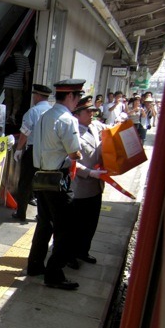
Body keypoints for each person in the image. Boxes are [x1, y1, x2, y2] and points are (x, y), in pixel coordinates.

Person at [26, 78, 84, 290]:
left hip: (40, 176)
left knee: (45, 223)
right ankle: (54, 273)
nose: (77, 102)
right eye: (77, 97)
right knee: (66, 227)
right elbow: (74, 152)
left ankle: (34, 265)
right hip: (58, 179)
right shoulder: (67, 120)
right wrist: (78, 153)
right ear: (70, 96)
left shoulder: (44, 115)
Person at [70, 95, 108, 264]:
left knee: (91, 223)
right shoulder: (72, 132)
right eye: (88, 111)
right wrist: (90, 172)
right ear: (77, 114)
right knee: (75, 226)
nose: (92, 114)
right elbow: (70, 161)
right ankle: (70, 256)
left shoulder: (95, 127)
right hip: (80, 187)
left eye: (93, 111)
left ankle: (83, 251)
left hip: (96, 185)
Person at [11, 84, 53, 221]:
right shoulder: (52, 111)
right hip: (48, 151)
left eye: (34, 95)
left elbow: (25, 133)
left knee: (25, 182)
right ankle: (42, 214)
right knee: (43, 183)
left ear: (38, 96)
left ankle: (21, 213)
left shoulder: (33, 112)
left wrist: (18, 149)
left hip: (33, 150)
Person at [2, 44, 31, 124]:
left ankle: (7, 116)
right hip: (17, 84)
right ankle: (13, 116)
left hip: (7, 83)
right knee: (17, 101)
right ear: (22, 50)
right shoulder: (24, 59)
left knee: (8, 100)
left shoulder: (9, 57)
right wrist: (27, 84)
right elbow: (26, 73)